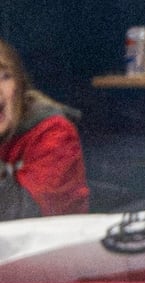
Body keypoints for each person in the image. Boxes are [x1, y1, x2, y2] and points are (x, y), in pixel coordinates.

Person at [0, 39, 88, 220]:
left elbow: (25, 219)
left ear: (20, 85)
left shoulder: (54, 133)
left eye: (4, 77)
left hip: (53, 244)